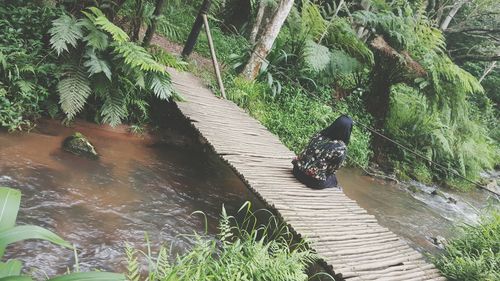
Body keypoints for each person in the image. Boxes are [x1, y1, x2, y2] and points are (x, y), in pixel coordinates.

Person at [292, 115, 353, 189]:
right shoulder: (341, 148)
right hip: (313, 181)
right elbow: (332, 170)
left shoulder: (319, 135)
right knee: (334, 180)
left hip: (296, 171)